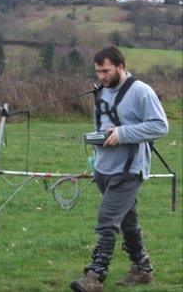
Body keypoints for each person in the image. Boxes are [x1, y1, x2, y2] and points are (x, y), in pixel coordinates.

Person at [70, 46, 169, 292]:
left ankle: (95, 276)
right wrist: (95, 154)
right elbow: (103, 125)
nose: (101, 76)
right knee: (127, 221)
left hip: (129, 169)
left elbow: (160, 126)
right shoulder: (101, 92)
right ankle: (143, 269)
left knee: (107, 218)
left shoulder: (141, 92)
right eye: (98, 71)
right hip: (104, 168)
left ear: (120, 66)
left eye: (105, 70)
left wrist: (124, 133)